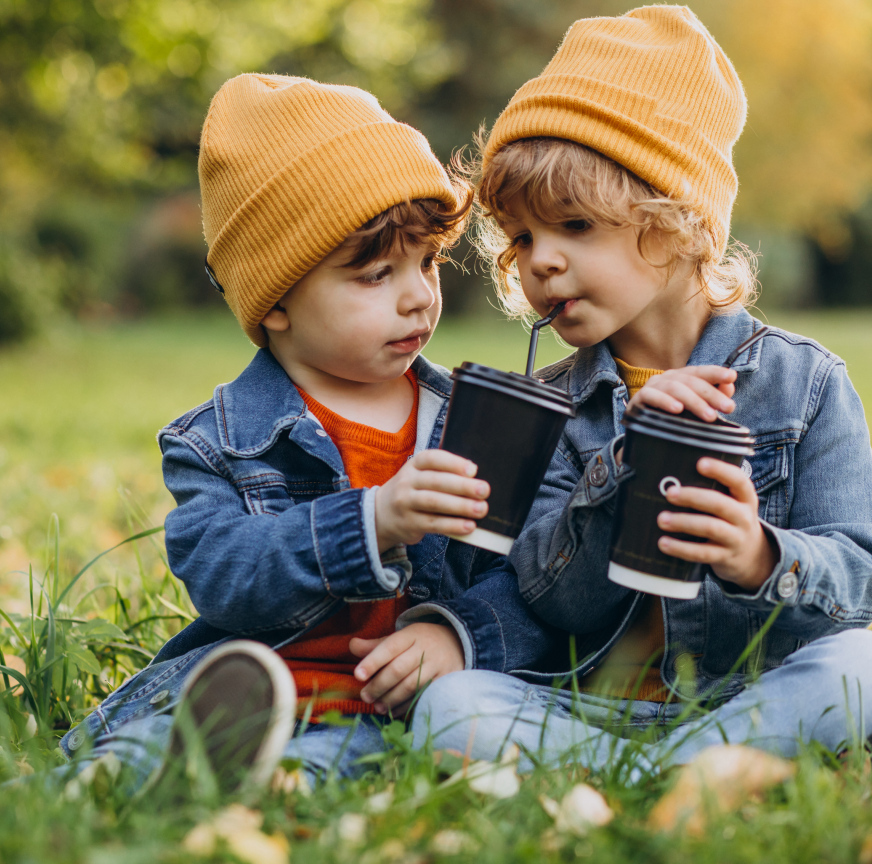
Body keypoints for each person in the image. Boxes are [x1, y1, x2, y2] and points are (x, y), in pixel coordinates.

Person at [55, 73, 555, 794]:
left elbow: (532, 575)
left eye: (427, 262)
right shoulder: (218, 442)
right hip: (228, 695)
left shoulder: (471, 423)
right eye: (377, 273)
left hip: (370, 719)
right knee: (136, 750)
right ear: (278, 297)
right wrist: (372, 522)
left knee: (320, 768)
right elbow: (225, 576)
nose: (418, 295)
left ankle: (237, 786)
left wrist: (458, 634)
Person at [411, 5, 872, 774]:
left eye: (574, 225)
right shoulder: (551, 409)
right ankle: (691, 771)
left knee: (863, 665)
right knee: (449, 708)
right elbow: (551, 600)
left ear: (679, 222)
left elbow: (860, 576)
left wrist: (761, 557)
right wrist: (618, 467)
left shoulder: (806, 384)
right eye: (522, 237)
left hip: (747, 691)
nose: (539, 263)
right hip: (586, 705)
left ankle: (672, 764)